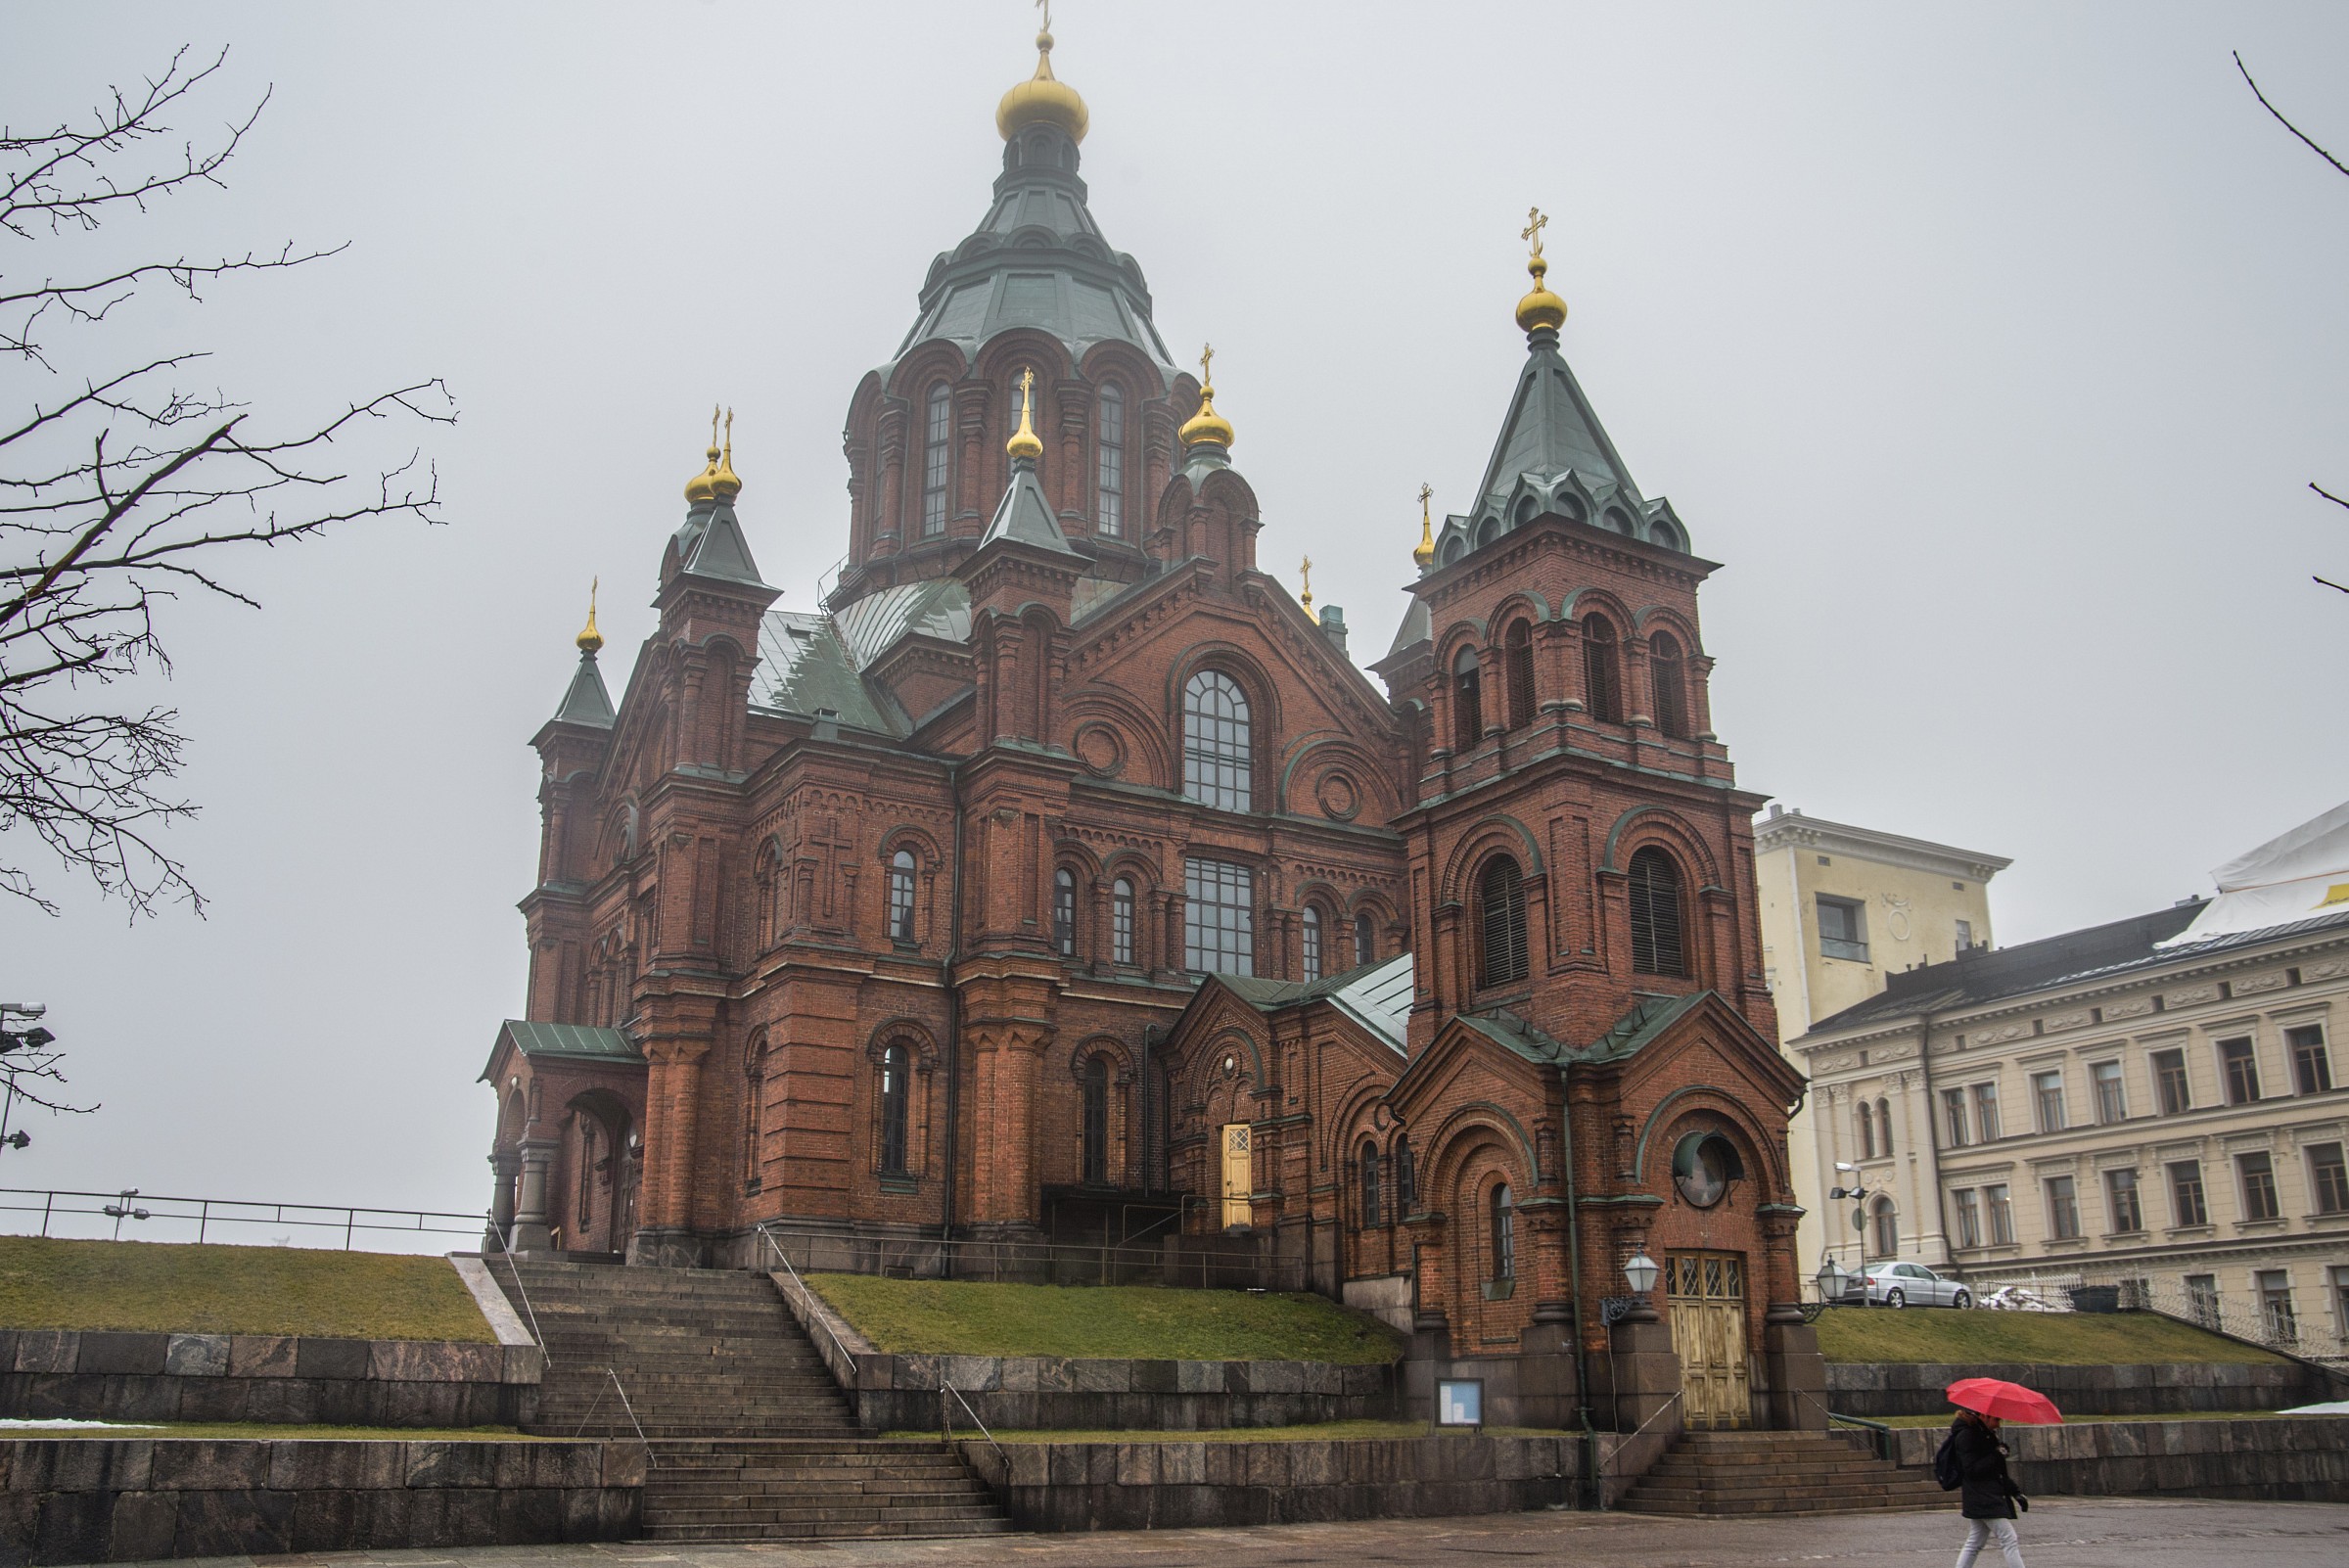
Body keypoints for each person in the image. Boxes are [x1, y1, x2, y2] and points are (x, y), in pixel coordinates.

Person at [1949, 1407, 2027, 1567]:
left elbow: (2000, 1473)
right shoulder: (1968, 1436)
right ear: (1984, 1416)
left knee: (1974, 1542)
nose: (1998, 1424)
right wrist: (1996, 1454)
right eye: (1996, 1419)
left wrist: (2016, 1492)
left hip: (1985, 1495)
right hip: (1983, 1496)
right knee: (2008, 1538)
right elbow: (1971, 1470)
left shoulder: (1987, 1435)